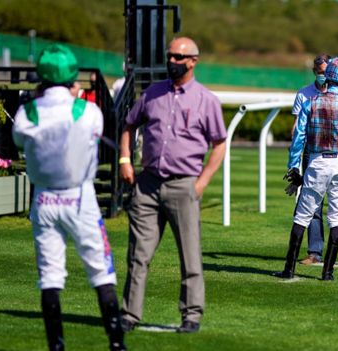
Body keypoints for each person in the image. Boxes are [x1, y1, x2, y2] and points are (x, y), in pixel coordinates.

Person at [12, 44, 126, 351]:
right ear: (72, 78)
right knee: (101, 270)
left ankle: (57, 346)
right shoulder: (88, 111)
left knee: (50, 277)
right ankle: (116, 343)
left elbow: (19, 140)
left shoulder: (27, 113)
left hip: (45, 201)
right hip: (80, 199)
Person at [119, 37, 227, 333]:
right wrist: (125, 160)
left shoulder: (206, 100)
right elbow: (129, 126)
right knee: (138, 254)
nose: (173, 62)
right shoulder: (152, 93)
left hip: (184, 186)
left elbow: (219, 143)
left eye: (179, 57)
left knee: (189, 255)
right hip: (148, 184)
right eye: (170, 56)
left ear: (193, 61)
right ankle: (129, 313)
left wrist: (201, 183)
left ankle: (191, 315)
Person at [277, 57, 338, 281]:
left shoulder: (311, 102)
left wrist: (294, 167)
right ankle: (328, 273)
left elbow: (299, 138)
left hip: (316, 161)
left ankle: (289, 270)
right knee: (337, 216)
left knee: (303, 215)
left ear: (328, 77)